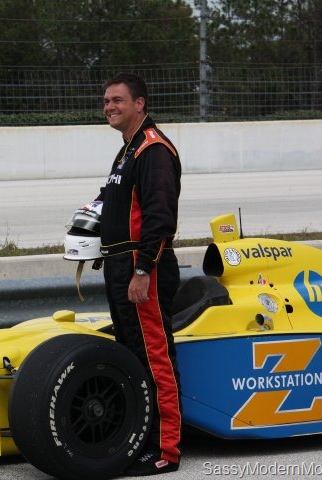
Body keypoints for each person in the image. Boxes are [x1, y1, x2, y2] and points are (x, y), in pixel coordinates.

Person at [96, 72, 182, 476]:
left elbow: (160, 219)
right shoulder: (127, 150)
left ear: (139, 104)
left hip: (142, 269)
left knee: (154, 357)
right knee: (133, 358)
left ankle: (166, 450)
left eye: (117, 100)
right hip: (119, 267)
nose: (109, 107)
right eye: (106, 101)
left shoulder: (153, 149)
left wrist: (144, 268)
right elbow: (111, 200)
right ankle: (140, 439)